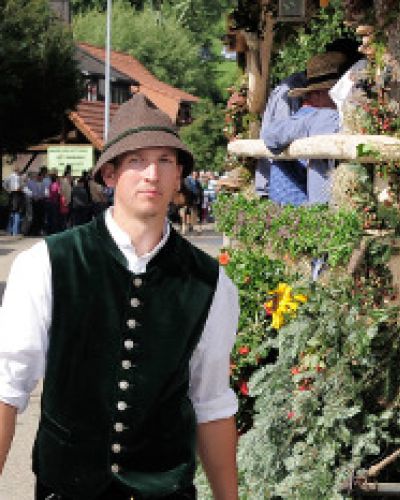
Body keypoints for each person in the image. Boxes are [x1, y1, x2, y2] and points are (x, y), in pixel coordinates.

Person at [0, 94, 239, 499]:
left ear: (179, 175)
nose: (152, 174)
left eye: (165, 160)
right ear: (109, 175)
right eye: (136, 161)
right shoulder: (44, 264)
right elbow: (7, 389)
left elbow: (212, 404)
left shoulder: (210, 283)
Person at [259, 39, 362, 203]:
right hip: (317, 212)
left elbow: (270, 136)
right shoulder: (325, 117)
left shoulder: (302, 118)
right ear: (324, 93)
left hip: (294, 210)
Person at [3, 169, 25, 237]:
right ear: (17, 171)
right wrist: (9, 190)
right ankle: (14, 231)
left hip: (14, 194)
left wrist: (8, 191)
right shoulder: (17, 177)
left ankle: (11, 231)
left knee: (13, 213)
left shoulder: (11, 177)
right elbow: (4, 184)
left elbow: (4, 184)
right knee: (16, 213)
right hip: (16, 194)